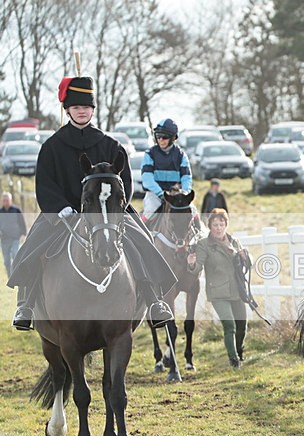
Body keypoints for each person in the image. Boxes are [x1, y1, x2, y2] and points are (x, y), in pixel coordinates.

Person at [8, 76, 176, 330]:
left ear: (93, 110)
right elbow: (44, 184)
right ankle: (27, 304)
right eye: (76, 107)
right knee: (34, 245)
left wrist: (116, 208)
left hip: (108, 212)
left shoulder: (111, 145)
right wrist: (61, 208)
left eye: (86, 107)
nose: (82, 111)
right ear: (67, 110)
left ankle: (154, 301)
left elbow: (125, 182)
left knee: (141, 241)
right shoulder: (52, 147)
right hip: (63, 213)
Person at [187, 208, 248, 369]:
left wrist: (245, 257)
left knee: (242, 325)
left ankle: (239, 351)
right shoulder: (204, 244)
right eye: (215, 225)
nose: (219, 228)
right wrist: (192, 264)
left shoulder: (234, 241)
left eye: (221, 224)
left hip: (237, 289)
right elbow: (198, 267)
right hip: (218, 291)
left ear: (226, 225)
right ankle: (234, 360)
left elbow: (246, 265)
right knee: (229, 325)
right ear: (210, 226)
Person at [140, 118, 192, 222]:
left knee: (194, 212)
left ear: (172, 138)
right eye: (158, 136)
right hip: (155, 195)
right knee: (150, 210)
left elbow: (186, 177)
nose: (160, 140)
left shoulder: (181, 155)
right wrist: (160, 193)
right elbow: (147, 179)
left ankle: (199, 231)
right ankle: (138, 230)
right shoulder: (149, 154)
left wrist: (185, 192)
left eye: (164, 137)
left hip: (176, 195)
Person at [0, 192, 27, 278]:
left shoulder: (16, 210)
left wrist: (24, 234)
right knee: (6, 261)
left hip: (15, 238)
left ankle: (16, 276)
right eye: (4, 200)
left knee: (15, 256)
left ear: (10, 200)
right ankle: (10, 277)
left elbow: (22, 222)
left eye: (7, 200)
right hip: (4, 240)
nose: (5, 202)